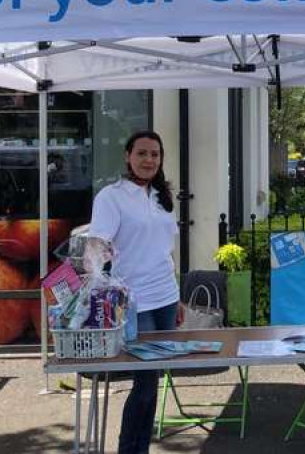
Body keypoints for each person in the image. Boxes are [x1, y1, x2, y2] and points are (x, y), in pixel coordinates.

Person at [88, 130, 184, 454]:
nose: (149, 160)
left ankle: (139, 447)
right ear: (128, 156)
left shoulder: (163, 197)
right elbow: (96, 249)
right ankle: (130, 449)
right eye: (142, 153)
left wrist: (178, 294)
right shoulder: (111, 197)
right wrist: (95, 291)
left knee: (153, 381)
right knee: (144, 384)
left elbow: (166, 251)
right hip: (133, 303)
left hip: (166, 299)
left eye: (155, 154)